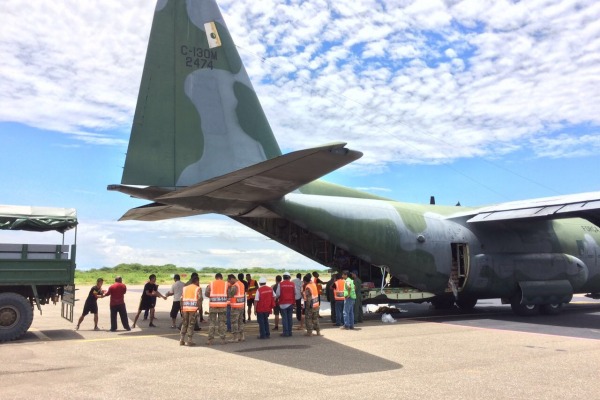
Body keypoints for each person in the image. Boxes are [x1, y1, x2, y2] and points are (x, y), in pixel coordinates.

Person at [205, 273, 228, 345]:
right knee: (222, 323)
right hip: (222, 306)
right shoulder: (226, 284)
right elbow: (229, 293)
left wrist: (212, 297)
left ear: (215, 278)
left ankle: (210, 340)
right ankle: (223, 340)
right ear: (221, 277)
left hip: (213, 306)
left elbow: (206, 293)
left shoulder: (211, 284)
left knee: (212, 323)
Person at [179, 275, 202, 346]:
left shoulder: (185, 288)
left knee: (184, 324)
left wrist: (182, 308)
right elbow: (199, 299)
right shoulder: (198, 288)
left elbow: (181, 299)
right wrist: (199, 308)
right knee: (191, 325)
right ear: (197, 281)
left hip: (185, 308)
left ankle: (181, 340)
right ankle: (189, 340)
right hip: (193, 309)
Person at [276, 272, 297, 337]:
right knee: (290, 318)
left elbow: (277, 294)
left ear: (283, 277)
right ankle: (290, 332)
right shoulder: (293, 284)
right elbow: (295, 292)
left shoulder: (280, 284)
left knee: (284, 318)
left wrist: (276, 299)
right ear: (289, 277)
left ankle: (285, 332)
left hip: (283, 303)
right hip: (291, 303)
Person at [227, 274, 245, 342]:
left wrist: (228, 288)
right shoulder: (241, 284)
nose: (229, 282)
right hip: (241, 306)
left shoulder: (235, 286)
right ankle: (242, 336)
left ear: (232, 279)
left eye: (229, 281)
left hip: (235, 307)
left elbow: (230, 294)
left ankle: (235, 338)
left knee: (234, 322)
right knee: (240, 322)